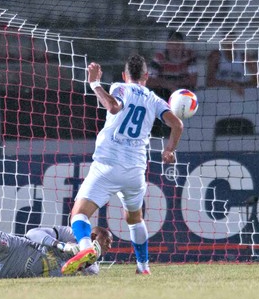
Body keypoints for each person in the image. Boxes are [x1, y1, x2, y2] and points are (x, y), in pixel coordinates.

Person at [61, 55, 183, 276]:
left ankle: (86, 249)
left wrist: (94, 83)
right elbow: (177, 124)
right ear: (146, 76)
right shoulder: (154, 99)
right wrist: (169, 150)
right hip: (135, 171)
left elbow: (113, 107)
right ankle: (143, 267)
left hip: (108, 165)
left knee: (79, 215)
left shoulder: (120, 87)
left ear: (124, 76)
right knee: (135, 219)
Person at [147, 31, 197, 101]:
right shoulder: (159, 57)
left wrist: (174, 85)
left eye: (178, 44)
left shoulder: (189, 57)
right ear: (167, 45)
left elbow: (193, 81)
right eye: (172, 44)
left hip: (183, 95)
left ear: (183, 45)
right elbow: (149, 80)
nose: (175, 48)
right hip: (162, 95)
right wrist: (168, 86)